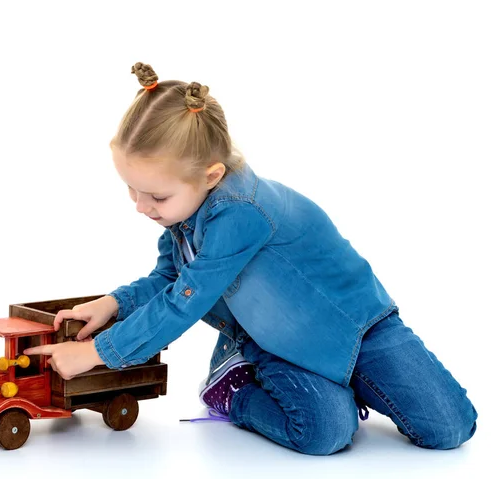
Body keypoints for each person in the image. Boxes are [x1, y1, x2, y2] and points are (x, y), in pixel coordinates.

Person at [24, 62, 477, 455]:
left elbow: (185, 301)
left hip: (360, 327)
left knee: (450, 428)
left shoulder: (240, 213)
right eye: (132, 190)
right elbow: (169, 277)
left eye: (156, 195)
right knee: (324, 433)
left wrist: (96, 353)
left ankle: (353, 380)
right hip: (280, 341)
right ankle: (236, 390)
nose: (141, 206)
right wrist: (114, 304)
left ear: (212, 174)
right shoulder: (183, 215)